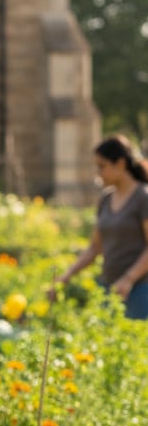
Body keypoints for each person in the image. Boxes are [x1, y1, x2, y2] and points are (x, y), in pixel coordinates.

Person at [54, 134, 148, 319]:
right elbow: (95, 247)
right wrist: (67, 275)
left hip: (140, 290)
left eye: (102, 166)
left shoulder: (143, 198)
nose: (98, 173)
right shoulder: (105, 199)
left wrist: (129, 279)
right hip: (109, 286)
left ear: (120, 164)